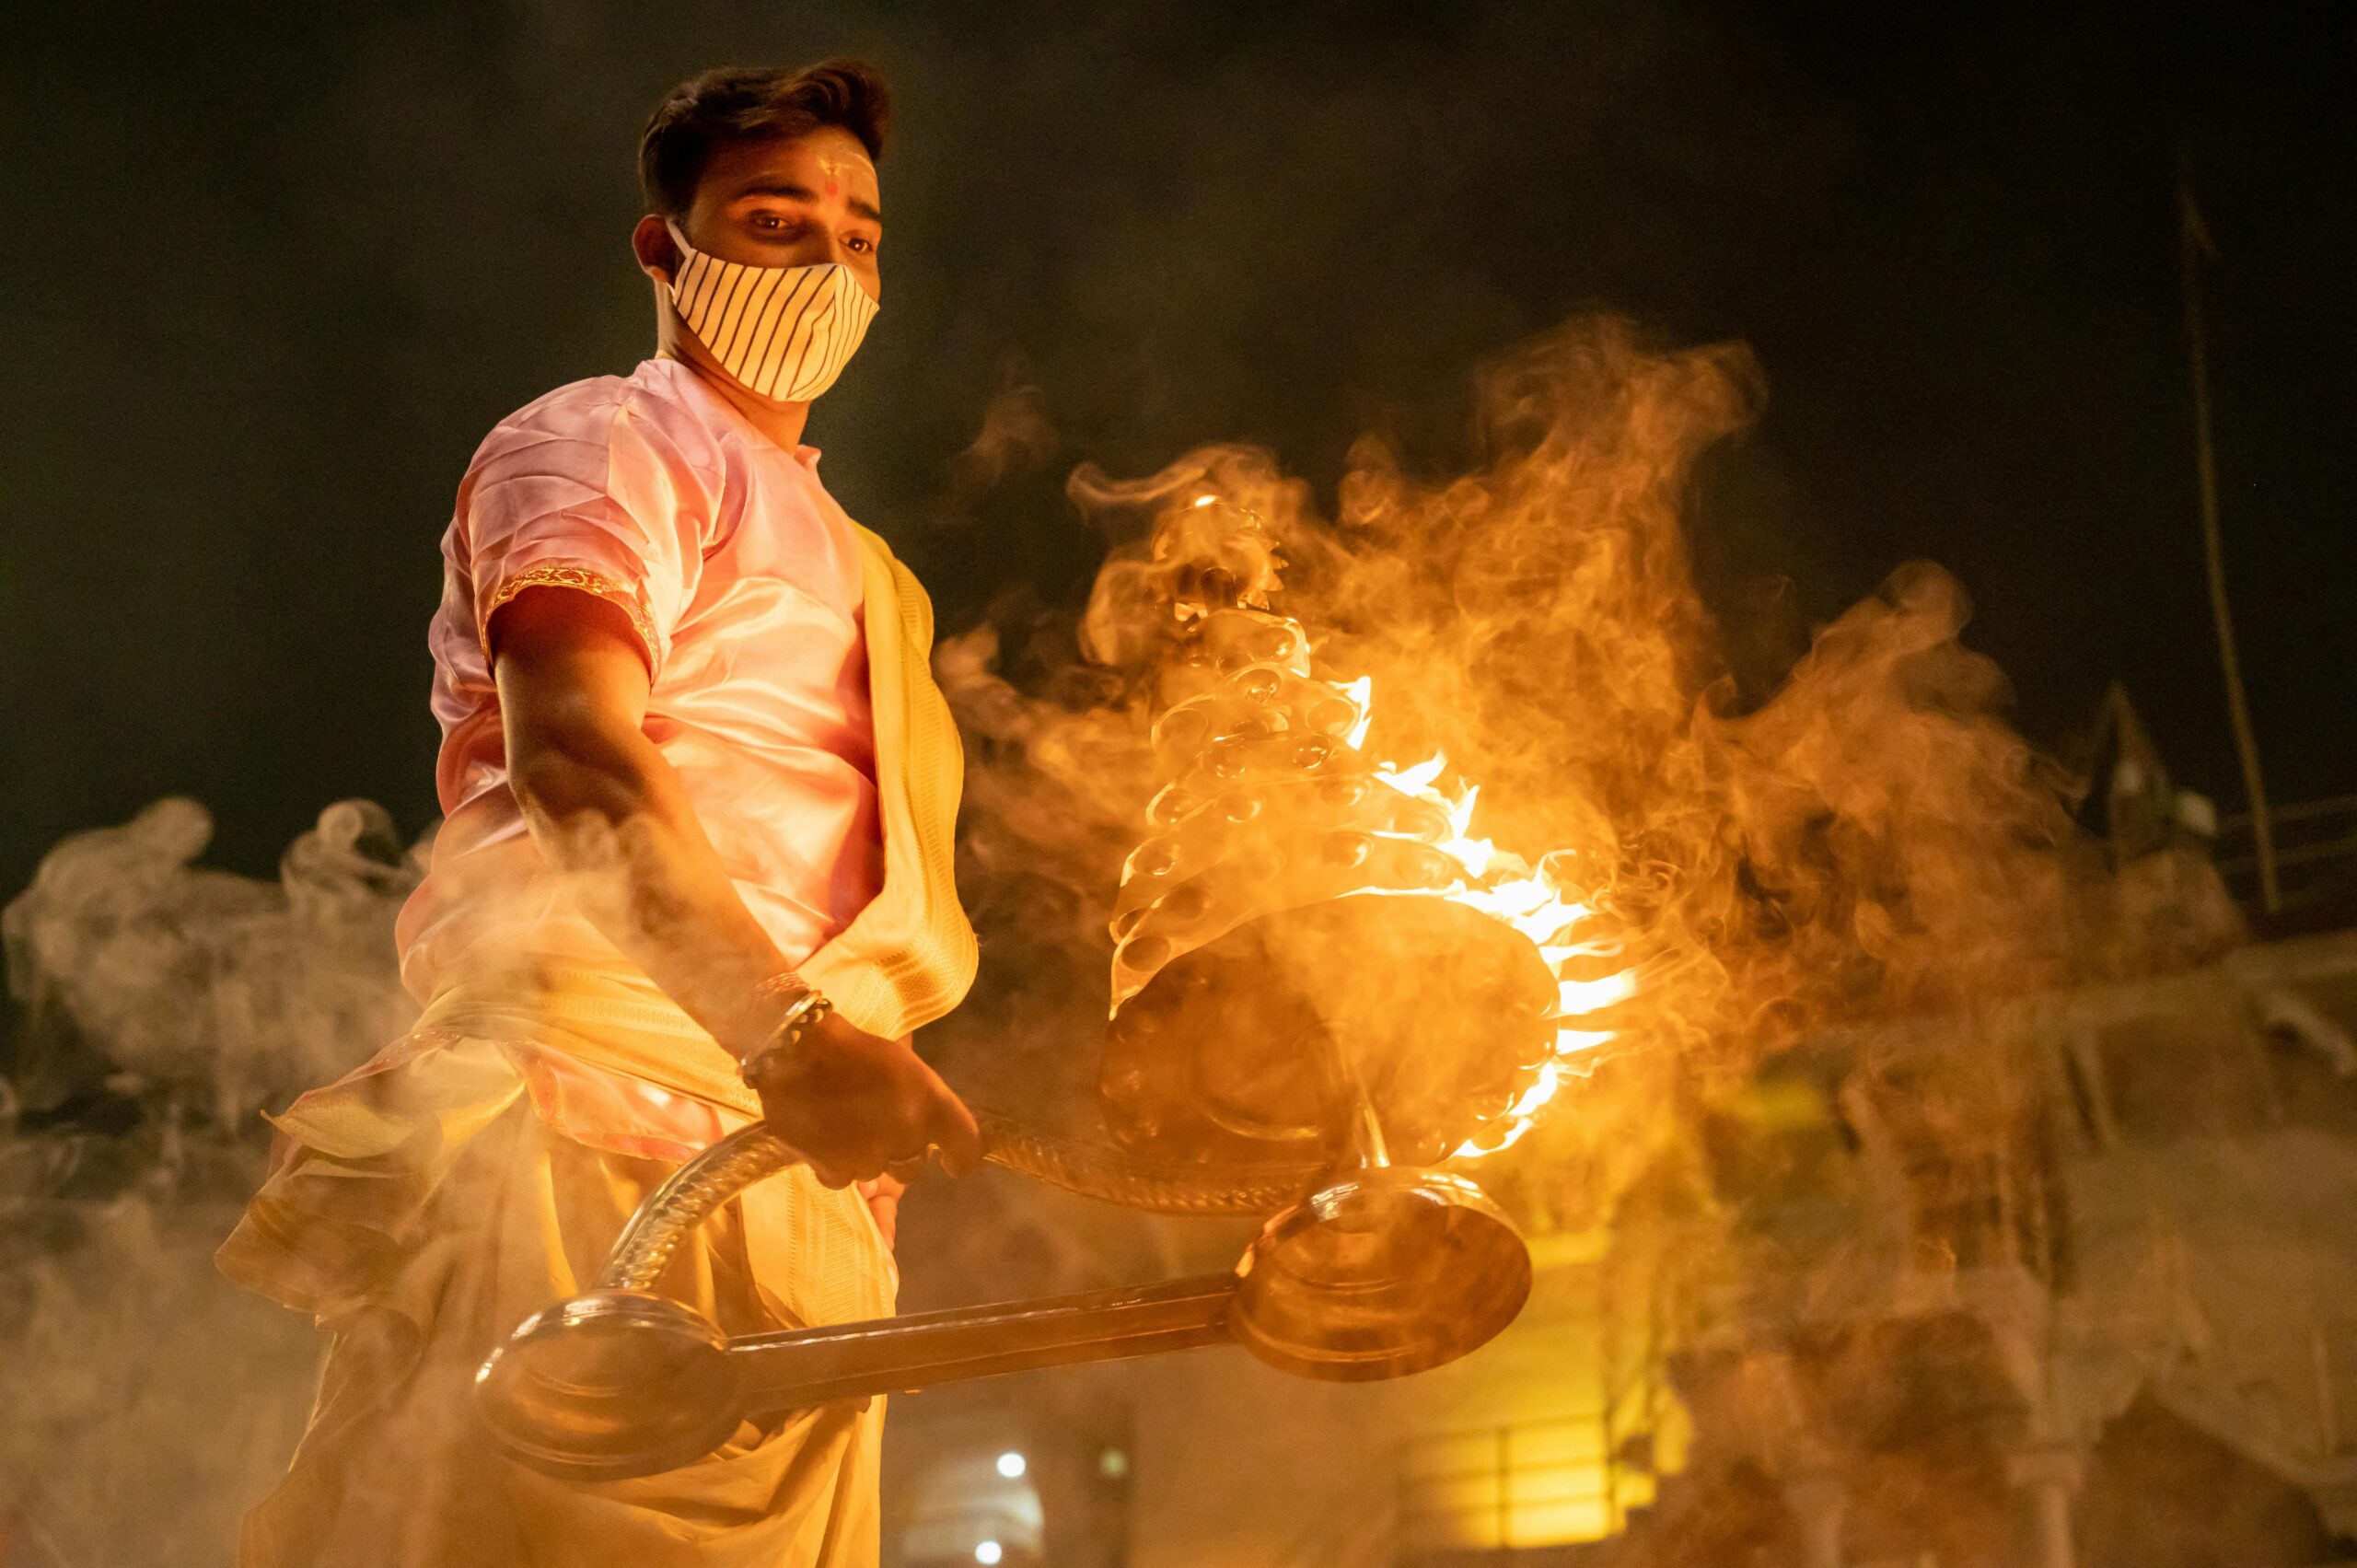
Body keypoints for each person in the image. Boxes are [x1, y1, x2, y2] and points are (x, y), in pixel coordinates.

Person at [219, 58, 983, 1567]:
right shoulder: (606, 444)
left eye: (860, 234)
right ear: (666, 250)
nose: (827, 261)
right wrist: (787, 1037)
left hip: (793, 1176)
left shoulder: (864, 561)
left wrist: (816, 1076)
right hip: (595, 1133)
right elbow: (575, 757)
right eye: (774, 220)